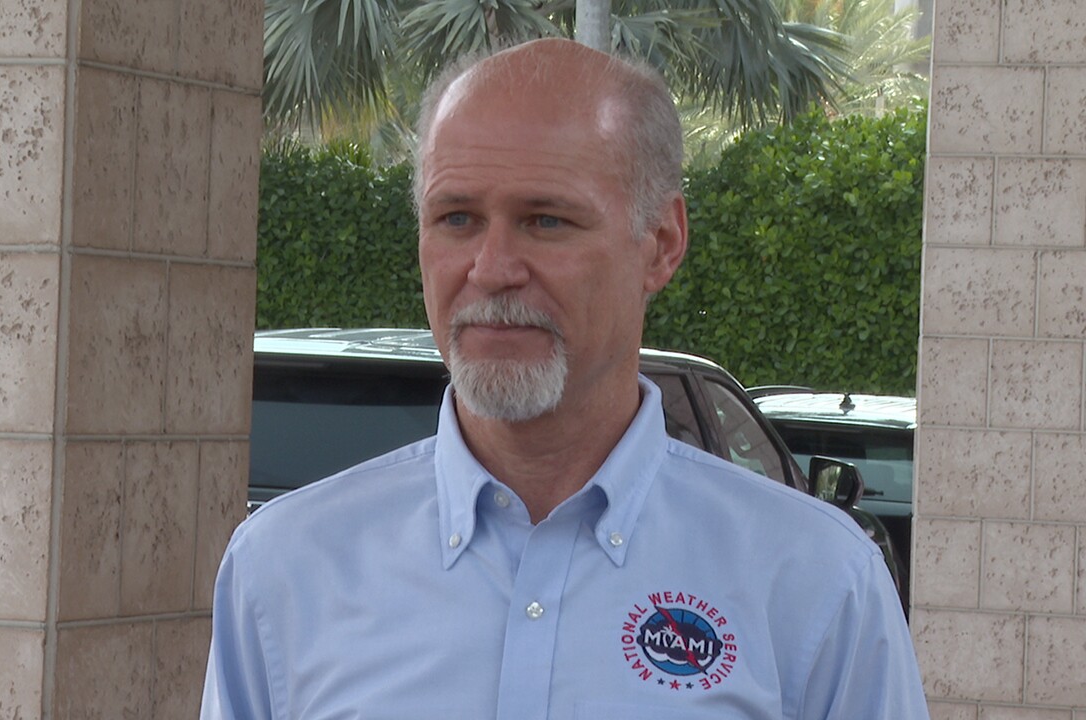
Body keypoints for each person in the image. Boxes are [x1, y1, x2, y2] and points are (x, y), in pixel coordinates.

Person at [201, 38, 928, 719]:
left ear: (663, 244)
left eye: (545, 221)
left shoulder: (815, 584)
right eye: (456, 218)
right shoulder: (284, 570)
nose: (490, 268)